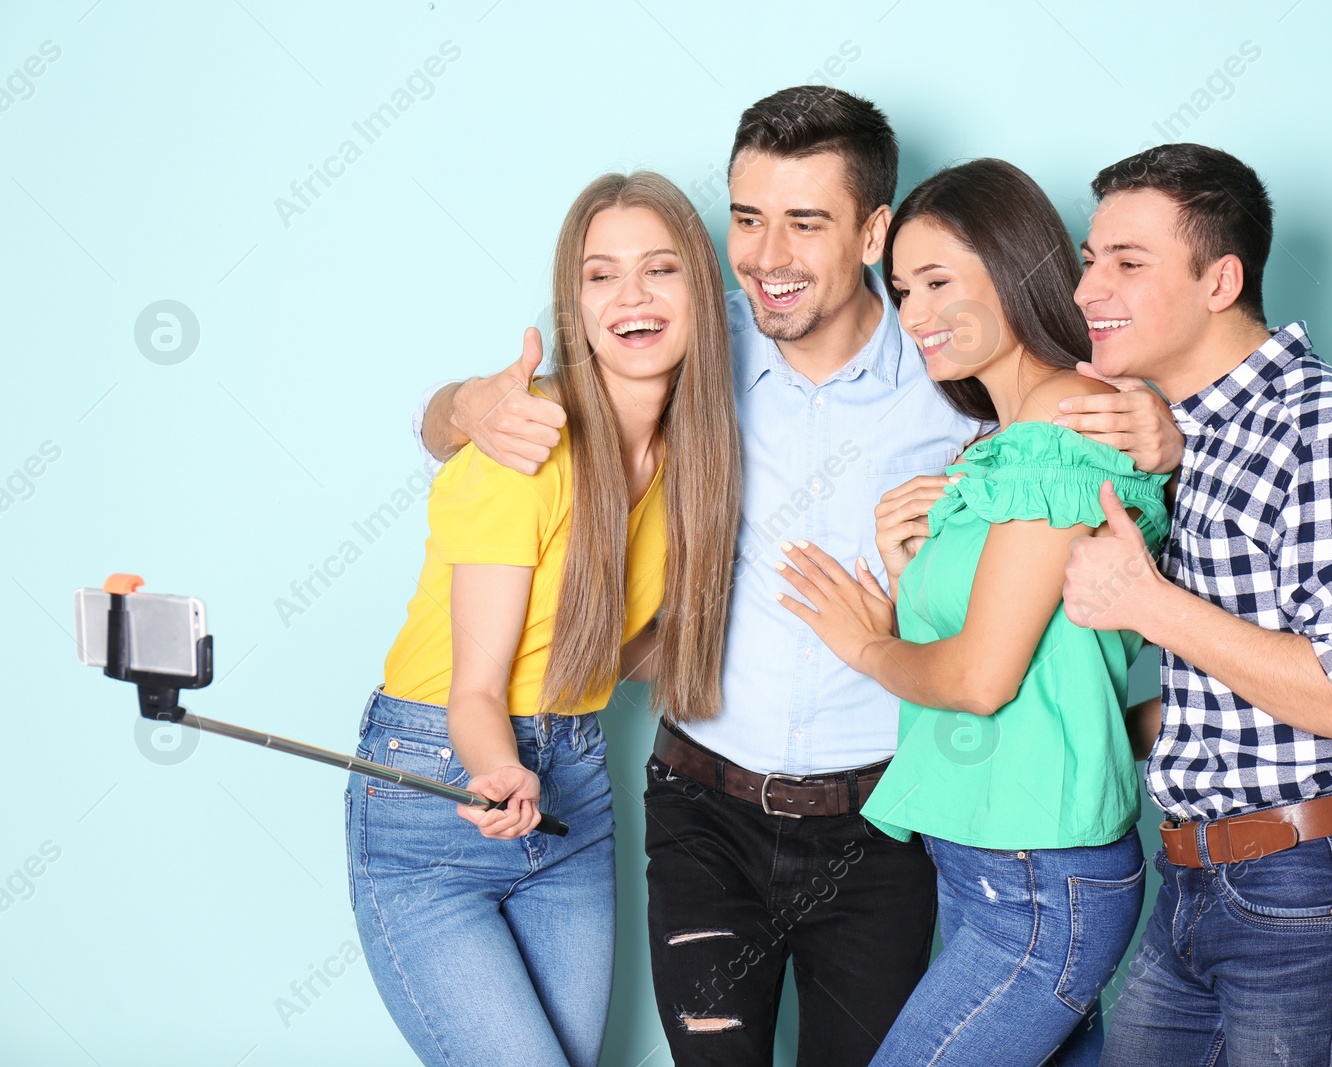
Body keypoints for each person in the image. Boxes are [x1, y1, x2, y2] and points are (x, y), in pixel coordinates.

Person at [414, 87, 1182, 1067]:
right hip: (703, 807)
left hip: (887, 825)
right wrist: (463, 406)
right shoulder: (690, 338)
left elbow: (1077, 438)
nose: (768, 255)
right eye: (746, 218)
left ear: (872, 231)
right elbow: (486, 426)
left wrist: (1160, 434)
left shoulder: (954, 357)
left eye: (805, 222)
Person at [1058, 143, 1332, 1066]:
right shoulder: (1201, 436)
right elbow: (1240, 688)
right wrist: (1095, 730)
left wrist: (1148, 604)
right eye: (1090, 259)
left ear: (1220, 280)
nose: (1087, 291)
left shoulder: (1321, 425)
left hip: (1315, 889)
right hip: (1201, 882)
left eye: (1128, 261)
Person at [774, 158, 1169, 1066]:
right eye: (902, 288)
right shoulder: (1004, 447)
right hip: (997, 864)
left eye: (939, 281)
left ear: (1017, 267)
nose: (913, 316)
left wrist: (868, 645)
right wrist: (912, 570)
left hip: (1034, 878)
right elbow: (1047, 657)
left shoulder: (1061, 433)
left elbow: (982, 680)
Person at [346, 170, 741, 1067]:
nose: (631, 296)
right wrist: (499, 776)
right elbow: (477, 690)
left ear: (701, 292)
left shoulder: (696, 460)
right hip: (440, 787)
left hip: (576, 789)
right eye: (601, 275)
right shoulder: (524, 448)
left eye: (661, 269)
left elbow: (606, 647)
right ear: (574, 305)